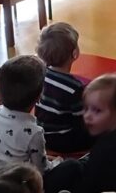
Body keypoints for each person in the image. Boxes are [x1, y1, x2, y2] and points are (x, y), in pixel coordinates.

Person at [0, 55, 79, 193]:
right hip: (18, 191)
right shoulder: (34, 131)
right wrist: (57, 163)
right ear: (39, 96)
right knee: (72, 167)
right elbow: (41, 170)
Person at [35, 22, 91, 153]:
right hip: (64, 140)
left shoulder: (39, 74)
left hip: (40, 133)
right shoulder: (74, 87)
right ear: (75, 53)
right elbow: (81, 121)